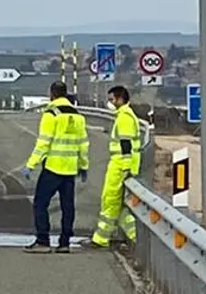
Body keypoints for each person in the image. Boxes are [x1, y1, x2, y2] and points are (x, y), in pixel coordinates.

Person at [23, 80, 90, 252]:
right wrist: (83, 166)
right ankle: (65, 242)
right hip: (70, 169)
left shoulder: (51, 114)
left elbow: (44, 143)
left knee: (40, 203)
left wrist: (31, 164)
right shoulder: (78, 116)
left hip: (53, 167)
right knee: (68, 207)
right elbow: (83, 144)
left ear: (51, 93)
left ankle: (43, 241)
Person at [91, 84, 144, 249]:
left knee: (110, 201)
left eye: (112, 99)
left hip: (121, 165)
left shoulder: (125, 117)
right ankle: (136, 238)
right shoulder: (123, 115)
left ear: (121, 99)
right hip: (119, 164)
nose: (110, 103)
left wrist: (127, 168)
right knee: (120, 205)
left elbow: (126, 144)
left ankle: (101, 239)